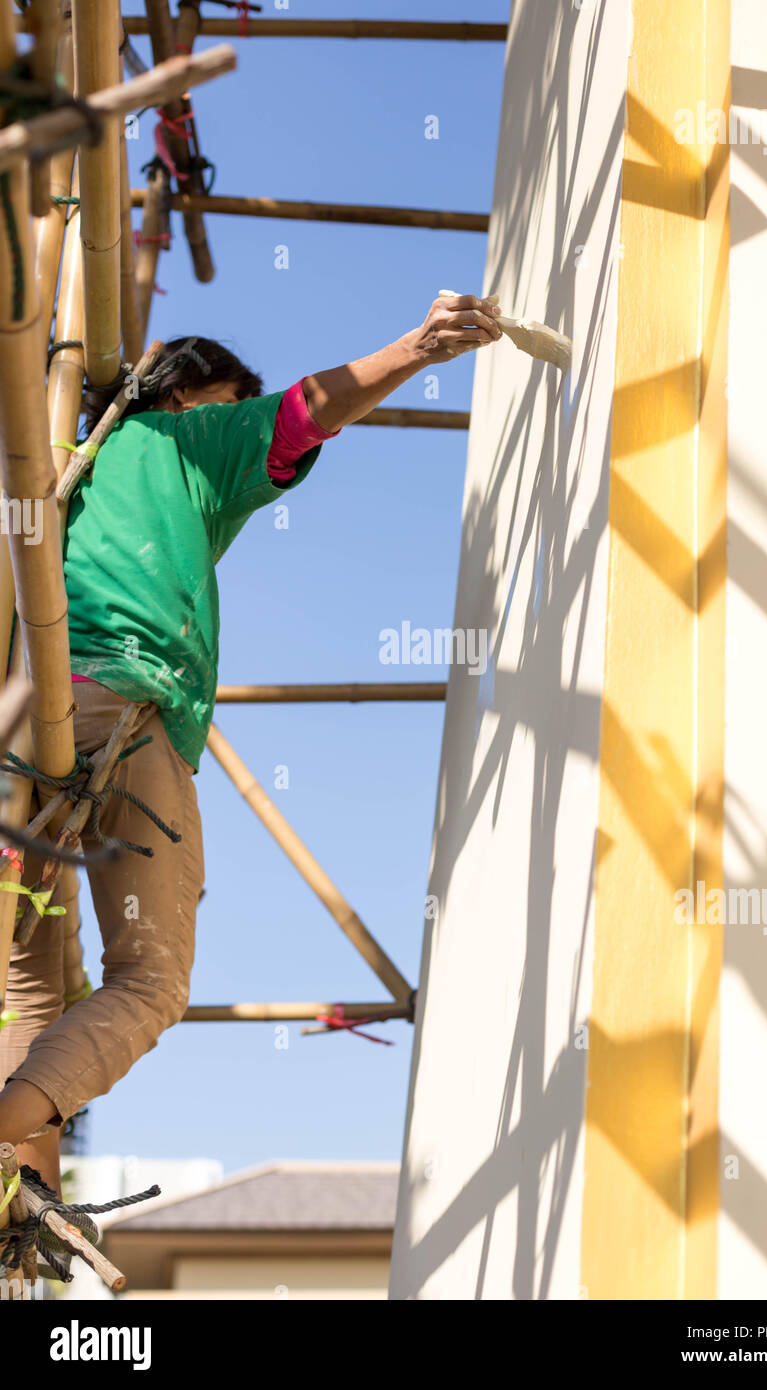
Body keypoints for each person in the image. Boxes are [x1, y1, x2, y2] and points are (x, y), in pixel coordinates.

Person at [0, 293, 503, 1196]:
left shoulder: (63, 465)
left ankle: (12, 1196)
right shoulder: (183, 440)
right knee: (148, 983)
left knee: (29, 987)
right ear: (193, 396)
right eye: (232, 400)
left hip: (22, 717)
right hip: (127, 708)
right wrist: (417, 347)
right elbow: (310, 408)